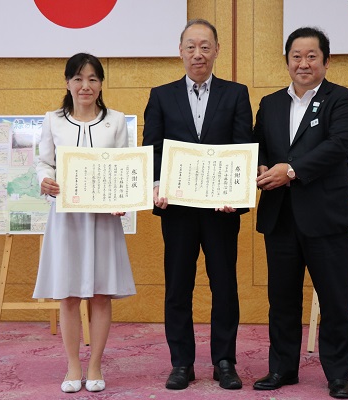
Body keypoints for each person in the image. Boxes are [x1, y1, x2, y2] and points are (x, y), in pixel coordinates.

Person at [142, 19, 253, 391]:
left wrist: (235, 197)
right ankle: (182, 363)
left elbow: (242, 148)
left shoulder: (236, 94)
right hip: (177, 211)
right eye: (190, 46)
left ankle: (224, 361)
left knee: (225, 286)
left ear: (217, 50)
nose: (197, 54)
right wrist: (157, 186)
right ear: (180, 51)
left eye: (205, 46)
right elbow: (153, 150)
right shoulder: (161, 95)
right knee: (178, 287)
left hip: (221, 212)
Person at [253, 27, 348, 399]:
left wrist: (291, 170)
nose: (303, 63)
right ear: (287, 61)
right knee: (281, 299)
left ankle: (338, 374)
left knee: (334, 299)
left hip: (326, 216)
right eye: (296, 56)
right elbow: (259, 147)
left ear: (326, 61)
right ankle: (282, 368)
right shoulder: (270, 103)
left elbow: (338, 145)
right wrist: (260, 169)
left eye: (312, 56)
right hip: (280, 216)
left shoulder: (343, 100)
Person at [33, 53, 136, 394]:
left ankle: (95, 365)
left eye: (92, 78)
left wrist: (124, 200)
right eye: (78, 78)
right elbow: (43, 162)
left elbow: (126, 169)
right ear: (67, 83)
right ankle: (73, 365)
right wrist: (45, 181)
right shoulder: (53, 120)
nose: (85, 85)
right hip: (67, 220)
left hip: (103, 221)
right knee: (69, 295)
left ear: (101, 84)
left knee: (101, 294)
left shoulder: (117, 122)